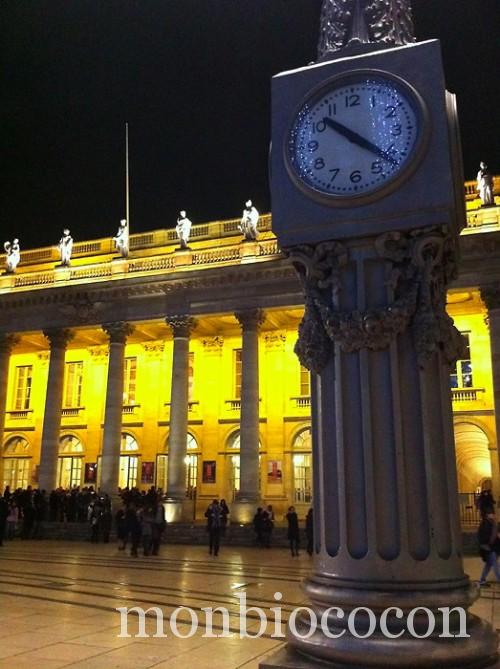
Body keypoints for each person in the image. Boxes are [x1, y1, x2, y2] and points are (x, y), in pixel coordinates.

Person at [478, 511, 500, 586]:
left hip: (492, 547)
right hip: (489, 547)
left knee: (489, 565)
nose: (494, 515)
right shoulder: (485, 523)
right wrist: (487, 545)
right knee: (495, 564)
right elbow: (485, 536)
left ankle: (482, 580)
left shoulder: (491, 522)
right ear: (487, 514)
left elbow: (494, 534)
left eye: (494, 513)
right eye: (492, 513)